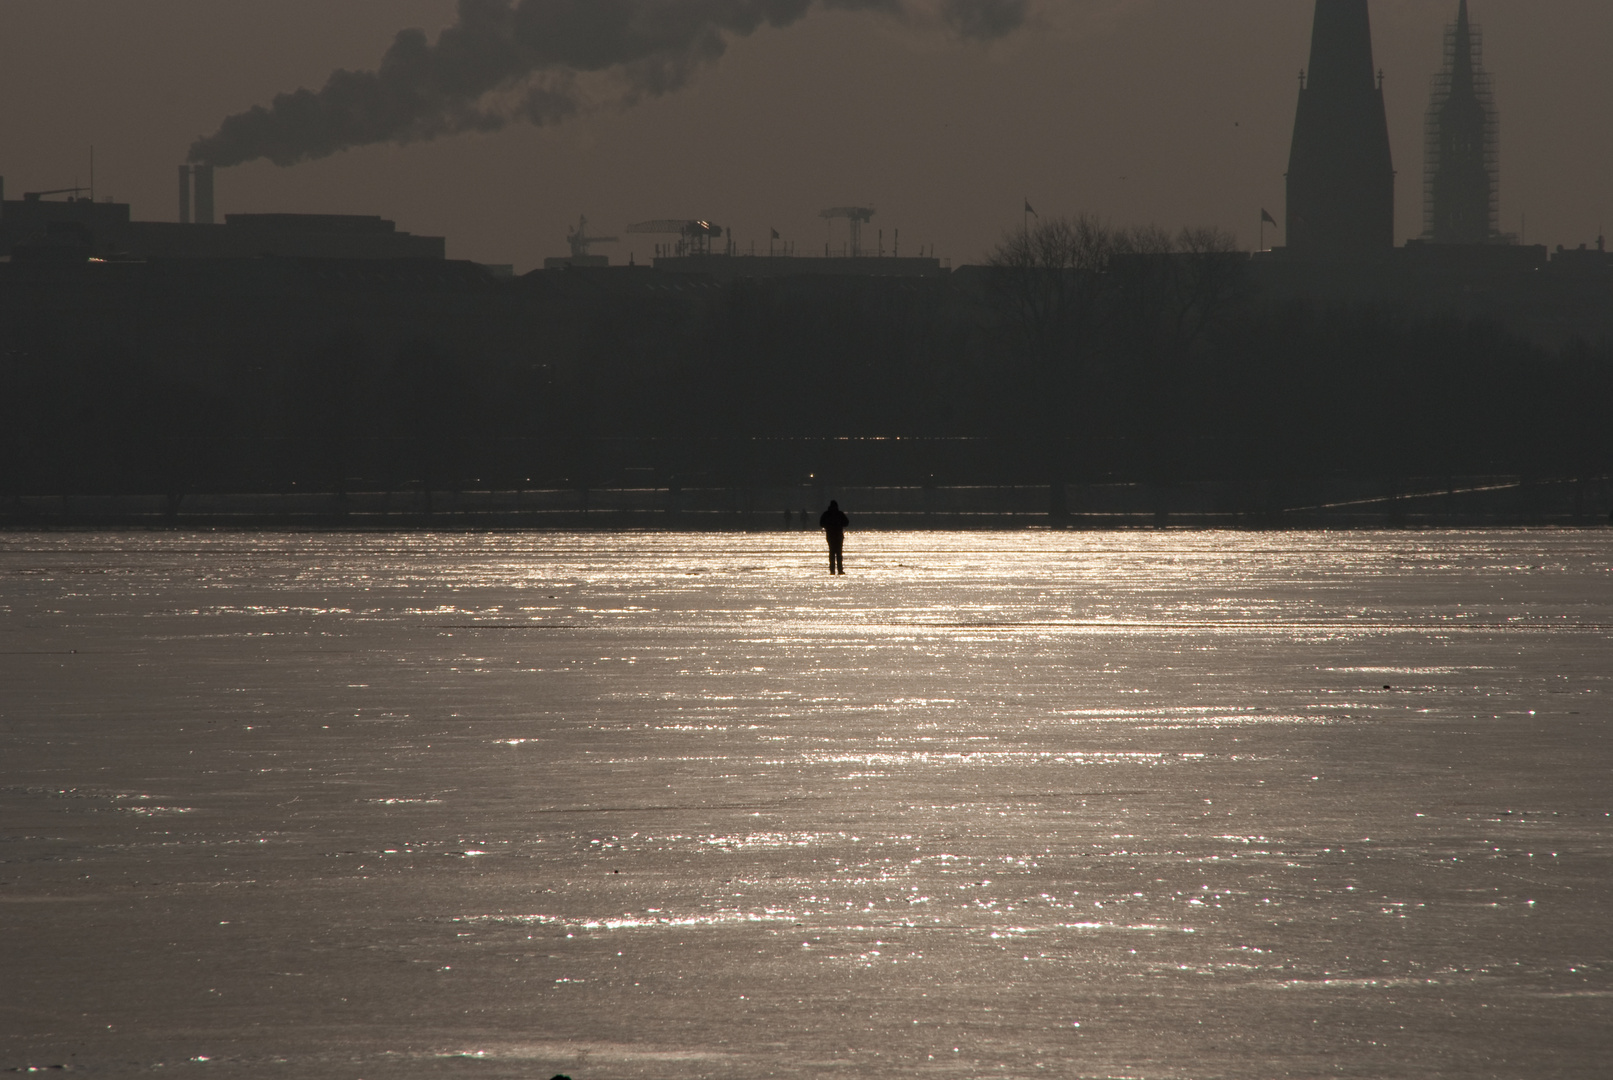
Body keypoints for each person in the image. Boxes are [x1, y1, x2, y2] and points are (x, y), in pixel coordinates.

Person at [819, 500, 849, 574]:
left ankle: (832, 570)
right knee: (839, 553)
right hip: (838, 535)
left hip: (830, 535)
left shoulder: (826, 514)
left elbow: (821, 523)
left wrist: (828, 525)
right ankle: (840, 569)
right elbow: (846, 522)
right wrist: (839, 524)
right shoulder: (839, 514)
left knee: (832, 552)